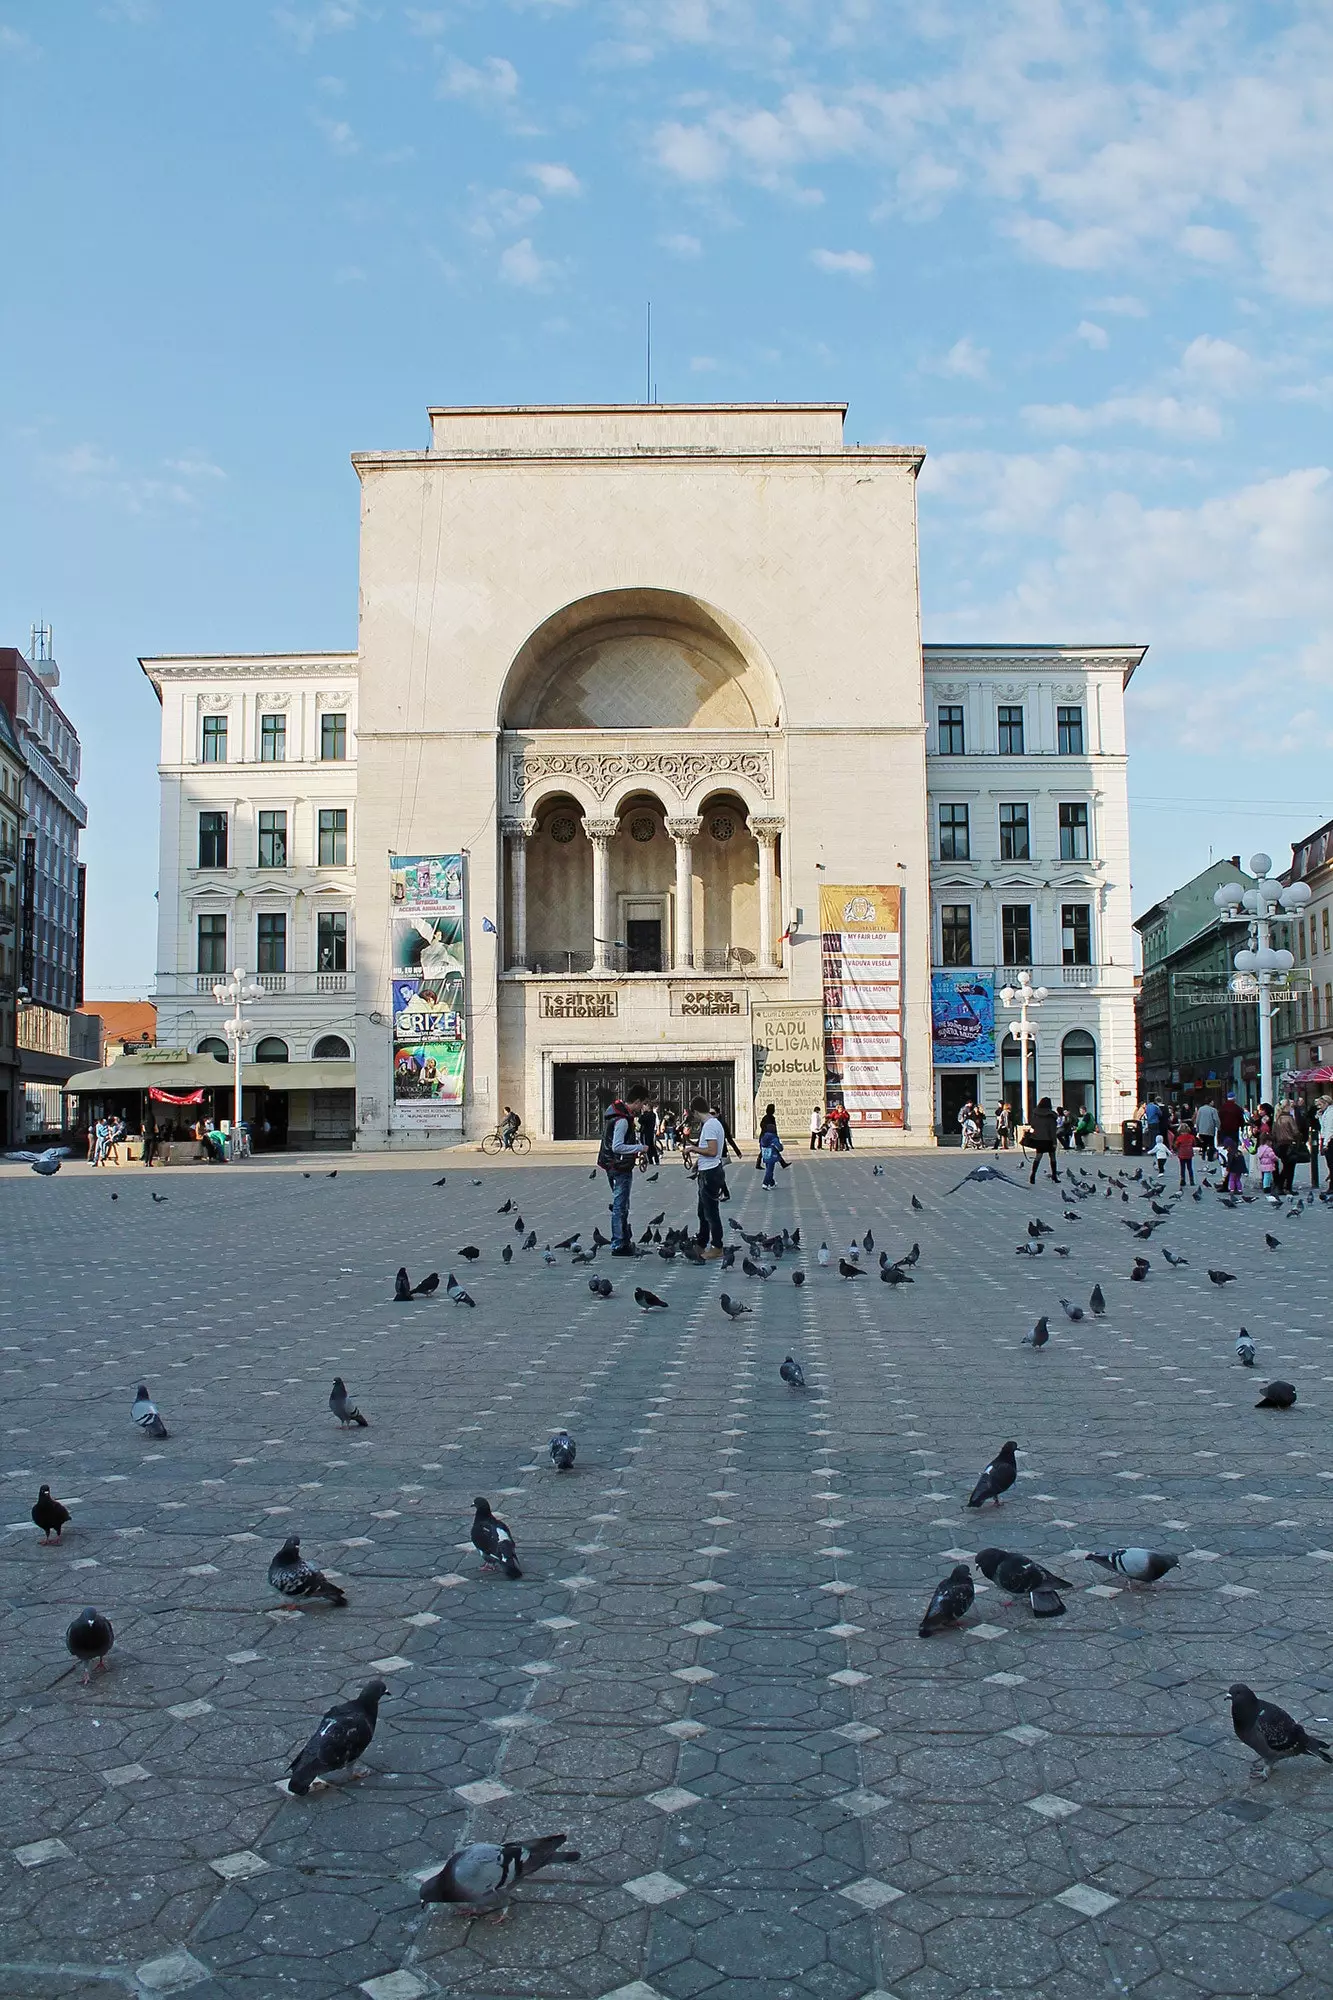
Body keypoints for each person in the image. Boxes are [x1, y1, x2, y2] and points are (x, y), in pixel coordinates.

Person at [597, 1089, 646, 1254]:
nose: (641, 1108)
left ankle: (623, 1240)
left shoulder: (616, 1115)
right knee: (620, 1206)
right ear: (637, 1101)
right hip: (619, 1166)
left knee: (622, 1205)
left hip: (612, 1165)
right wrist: (640, 1148)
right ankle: (618, 1244)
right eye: (642, 1104)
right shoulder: (622, 1120)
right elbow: (617, 1146)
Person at [684, 1095, 727, 1257]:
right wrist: (697, 1163)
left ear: (695, 1112)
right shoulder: (714, 1123)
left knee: (711, 1213)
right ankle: (701, 1244)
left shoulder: (709, 1126)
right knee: (702, 1212)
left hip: (710, 1173)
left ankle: (717, 1246)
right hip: (708, 1170)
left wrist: (692, 1149)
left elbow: (712, 1150)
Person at [1027, 1097, 1061, 1184]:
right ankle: (1054, 1176)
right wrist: (1054, 1142)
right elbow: (1052, 1130)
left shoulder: (1036, 1114)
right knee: (1052, 1157)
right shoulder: (1051, 1116)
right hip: (1049, 1139)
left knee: (1038, 1157)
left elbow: (1033, 1125)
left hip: (1038, 1139)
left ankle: (1033, 1175)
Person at [1271, 1100, 1302, 1195]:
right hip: (1289, 1144)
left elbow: (1274, 1133)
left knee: (1285, 1166)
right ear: (1287, 1106)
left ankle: (1279, 1186)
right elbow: (1295, 1132)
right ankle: (1285, 1187)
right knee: (1290, 1167)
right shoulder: (1289, 1118)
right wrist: (1299, 1138)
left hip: (1280, 1145)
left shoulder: (1277, 1118)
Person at [758, 1107, 785, 1188]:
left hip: (766, 1153)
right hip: (772, 1154)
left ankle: (772, 1182)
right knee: (770, 1170)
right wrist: (780, 1146)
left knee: (768, 1168)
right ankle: (765, 1183)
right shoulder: (773, 1137)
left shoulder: (764, 1137)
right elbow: (779, 1147)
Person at [1194, 1098, 1219, 1163]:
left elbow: (1198, 1119)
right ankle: (1210, 1157)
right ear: (1210, 1102)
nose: (1213, 1103)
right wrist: (1218, 1127)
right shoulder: (1213, 1110)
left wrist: (1197, 1128)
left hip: (1202, 1129)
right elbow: (1216, 1119)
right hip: (1210, 1129)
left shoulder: (1200, 1109)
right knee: (1211, 1143)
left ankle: (1203, 1154)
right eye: (1212, 1102)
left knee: (1203, 1143)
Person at [1171, 1122, 1196, 1188]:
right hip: (1189, 1153)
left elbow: (1176, 1145)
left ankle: (1182, 1180)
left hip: (1182, 1154)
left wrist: (1175, 1148)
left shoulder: (1179, 1138)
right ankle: (1192, 1180)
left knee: (1182, 1168)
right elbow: (1194, 1144)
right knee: (1190, 1167)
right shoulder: (1191, 1137)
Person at [638, 1099, 659, 1167]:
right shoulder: (653, 1114)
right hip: (650, 1132)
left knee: (646, 1146)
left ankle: (649, 1160)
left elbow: (640, 1120)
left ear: (647, 1106)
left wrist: (642, 1113)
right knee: (651, 1146)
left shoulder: (647, 1114)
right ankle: (656, 1159)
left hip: (645, 1133)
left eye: (644, 1106)